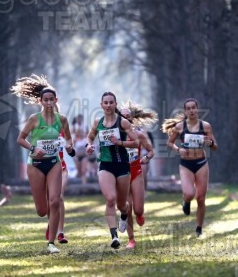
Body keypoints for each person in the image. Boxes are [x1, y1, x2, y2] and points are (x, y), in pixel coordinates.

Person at [11, 74, 75, 254]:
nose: (48, 103)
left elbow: (68, 139)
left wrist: (69, 147)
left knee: (55, 200)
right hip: (36, 164)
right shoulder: (34, 119)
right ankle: (48, 223)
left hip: (54, 162)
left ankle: (51, 243)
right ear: (40, 101)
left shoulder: (61, 119)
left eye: (51, 100)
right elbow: (20, 139)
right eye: (45, 100)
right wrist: (33, 148)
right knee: (42, 210)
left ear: (56, 100)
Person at [85, 92, 139, 249]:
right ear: (101, 105)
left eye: (111, 102)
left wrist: (120, 142)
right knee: (110, 199)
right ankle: (114, 236)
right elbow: (90, 137)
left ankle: (124, 213)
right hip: (105, 164)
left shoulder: (123, 123)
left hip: (122, 164)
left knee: (122, 204)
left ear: (115, 105)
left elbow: (136, 142)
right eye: (105, 103)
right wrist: (89, 146)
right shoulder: (97, 122)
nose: (108, 105)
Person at [161, 98, 218, 237]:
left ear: (197, 109)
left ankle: (199, 228)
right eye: (189, 108)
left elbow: (215, 146)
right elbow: (169, 143)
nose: (192, 110)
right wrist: (177, 150)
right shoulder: (180, 127)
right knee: (189, 194)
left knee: (201, 198)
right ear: (185, 111)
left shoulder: (206, 126)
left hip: (201, 163)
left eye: (194, 107)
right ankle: (186, 201)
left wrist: (209, 142)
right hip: (186, 164)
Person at [120, 100, 157, 249]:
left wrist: (146, 158)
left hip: (136, 171)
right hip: (121, 173)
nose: (125, 120)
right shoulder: (113, 135)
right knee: (127, 207)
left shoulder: (140, 135)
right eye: (122, 117)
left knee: (138, 209)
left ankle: (140, 215)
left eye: (128, 117)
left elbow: (151, 151)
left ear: (132, 119)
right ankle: (131, 239)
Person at [72, 114, 89, 184]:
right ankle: (79, 185)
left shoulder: (85, 127)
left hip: (84, 152)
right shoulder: (74, 127)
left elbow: (89, 137)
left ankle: (84, 185)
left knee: (83, 170)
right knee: (79, 171)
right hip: (77, 153)